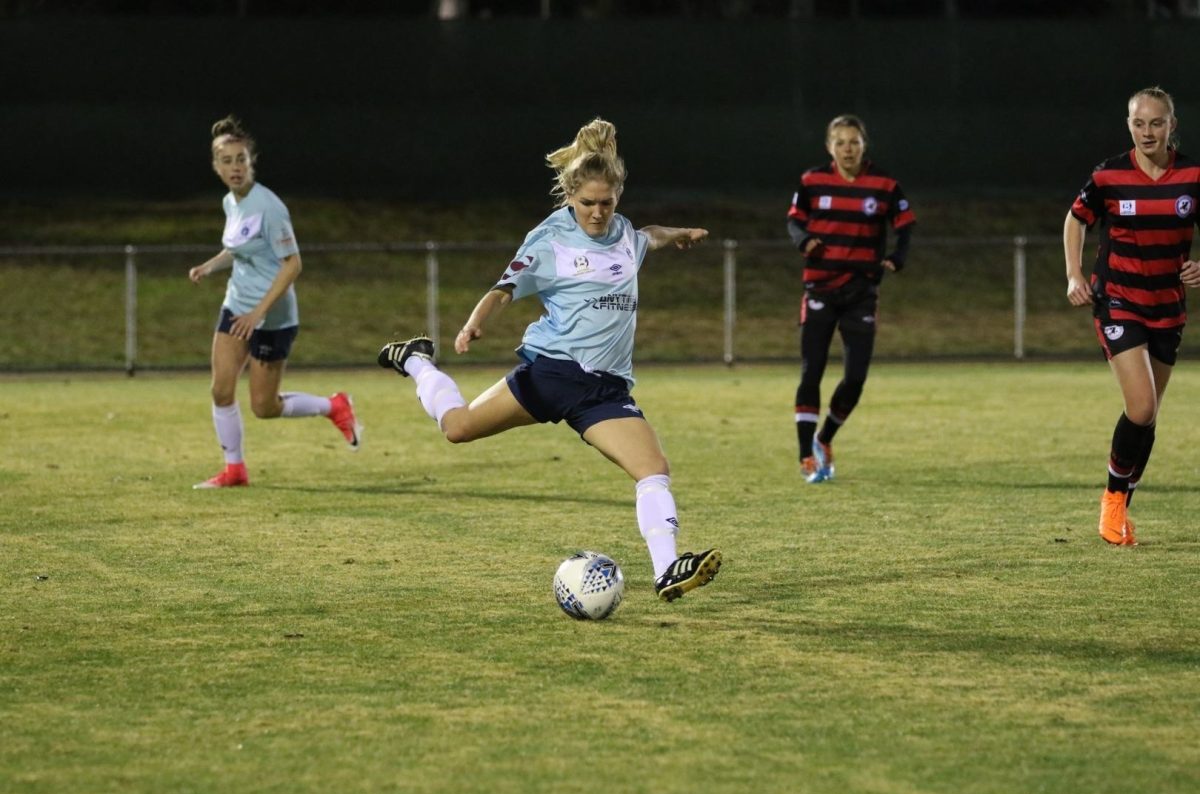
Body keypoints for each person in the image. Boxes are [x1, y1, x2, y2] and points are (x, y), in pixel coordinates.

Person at [377, 118, 721, 602]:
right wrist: (475, 322)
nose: (598, 213)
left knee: (653, 468)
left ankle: (667, 570)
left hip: (605, 391)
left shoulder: (623, 233)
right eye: (587, 204)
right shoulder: (550, 240)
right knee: (457, 428)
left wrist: (677, 233)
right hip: (553, 374)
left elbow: (648, 235)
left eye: (607, 202)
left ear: (617, 196)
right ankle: (416, 361)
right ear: (570, 195)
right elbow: (503, 289)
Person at [188, 115, 361, 489]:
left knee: (264, 408)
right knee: (220, 389)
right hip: (237, 306)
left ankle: (335, 406)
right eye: (226, 160)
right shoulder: (230, 202)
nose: (235, 167)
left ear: (252, 162)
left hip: (273, 316)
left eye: (240, 159)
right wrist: (210, 266)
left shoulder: (269, 207)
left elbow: (293, 264)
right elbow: (239, 247)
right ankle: (234, 469)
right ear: (216, 166)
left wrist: (259, 313)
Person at [1064, 85, 1200, 546]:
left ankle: (1123, 504)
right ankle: (1112, 499)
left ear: (1171, 126)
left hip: (1168, 307)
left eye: (1156, 122)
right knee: (1141, 406)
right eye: (1139, 122)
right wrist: (1072, 274)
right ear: (1129, 125)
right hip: (1118, 300)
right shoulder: (1109, 176)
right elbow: (1075, 219)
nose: (1147, 131)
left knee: (1148, 417)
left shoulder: (1193, 175)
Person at [787, 114, 915, 483]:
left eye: (854, 142)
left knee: (856, 377)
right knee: (812, 370)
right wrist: (803, 240)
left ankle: (824, 438)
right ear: (830, 147)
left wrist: (898, 256)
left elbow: (906, 226)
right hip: (820, 289)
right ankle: (804, 456)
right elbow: (794, 220)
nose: (848, 149)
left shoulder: (884, 185)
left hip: (861, 292)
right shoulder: (812, 181)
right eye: (841, 142)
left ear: (864, 146)